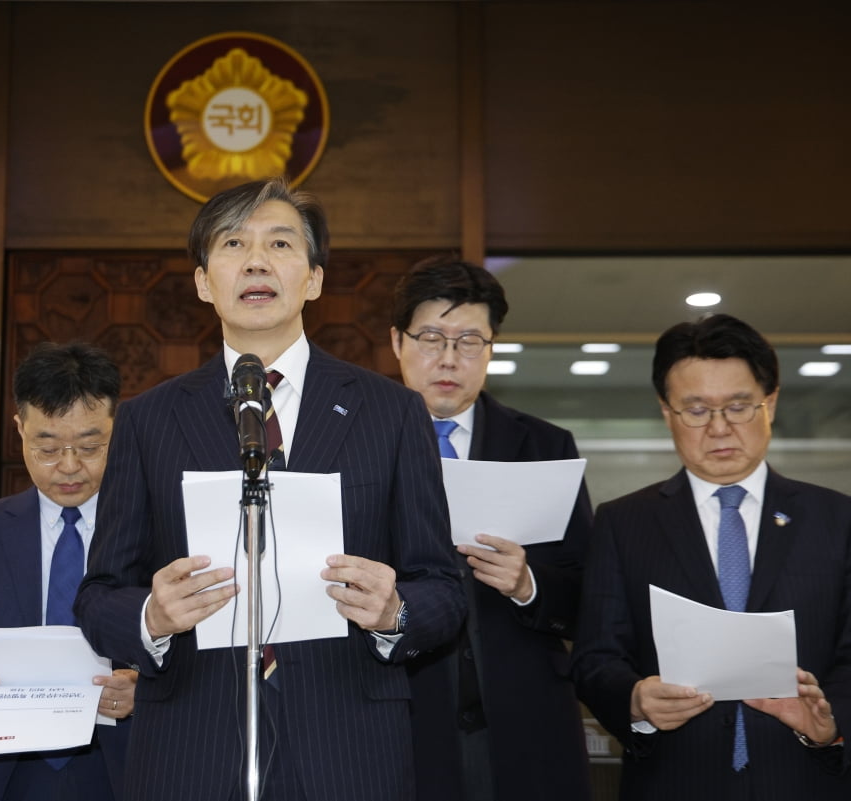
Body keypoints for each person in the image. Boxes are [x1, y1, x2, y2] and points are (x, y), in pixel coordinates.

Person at [74, 177, 465, 801]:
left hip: (349, 747)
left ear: (312, 278)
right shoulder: (149, 419)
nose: (256, 260)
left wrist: (396, 613)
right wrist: (152, 615)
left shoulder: (391, 413)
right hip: (190, 749)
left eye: (280, 243)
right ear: (204, 281)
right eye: (234, 243)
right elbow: (97, 596)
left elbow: (442, 587)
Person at [571, 313, 851, 799]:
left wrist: (830, 721)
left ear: (772, 403)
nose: (719, 429)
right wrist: (635, 700)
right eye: (696, 410)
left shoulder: (836, 518)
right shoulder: (623, 522)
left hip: (805, 778)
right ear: (667, 412)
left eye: (739, 406)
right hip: (674, 780)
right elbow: (596, 658)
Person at [391, 255, 593, 801]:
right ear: (397, 343)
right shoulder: (356, 451)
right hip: (401, 718)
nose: (449, 358)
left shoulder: (545, 448)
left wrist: (529, 585)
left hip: (525, 721)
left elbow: (591, 596)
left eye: (470, 341)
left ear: (492, 348)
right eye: (431, 337)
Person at [0, 342, 134, 801]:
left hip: (124, 766)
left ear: (119, 429)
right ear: (19, 430)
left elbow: (194, 657)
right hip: (2, 772)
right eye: (48, 447)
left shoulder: (153, 530)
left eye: (92, 446)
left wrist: (145, 692)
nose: (71, 466)